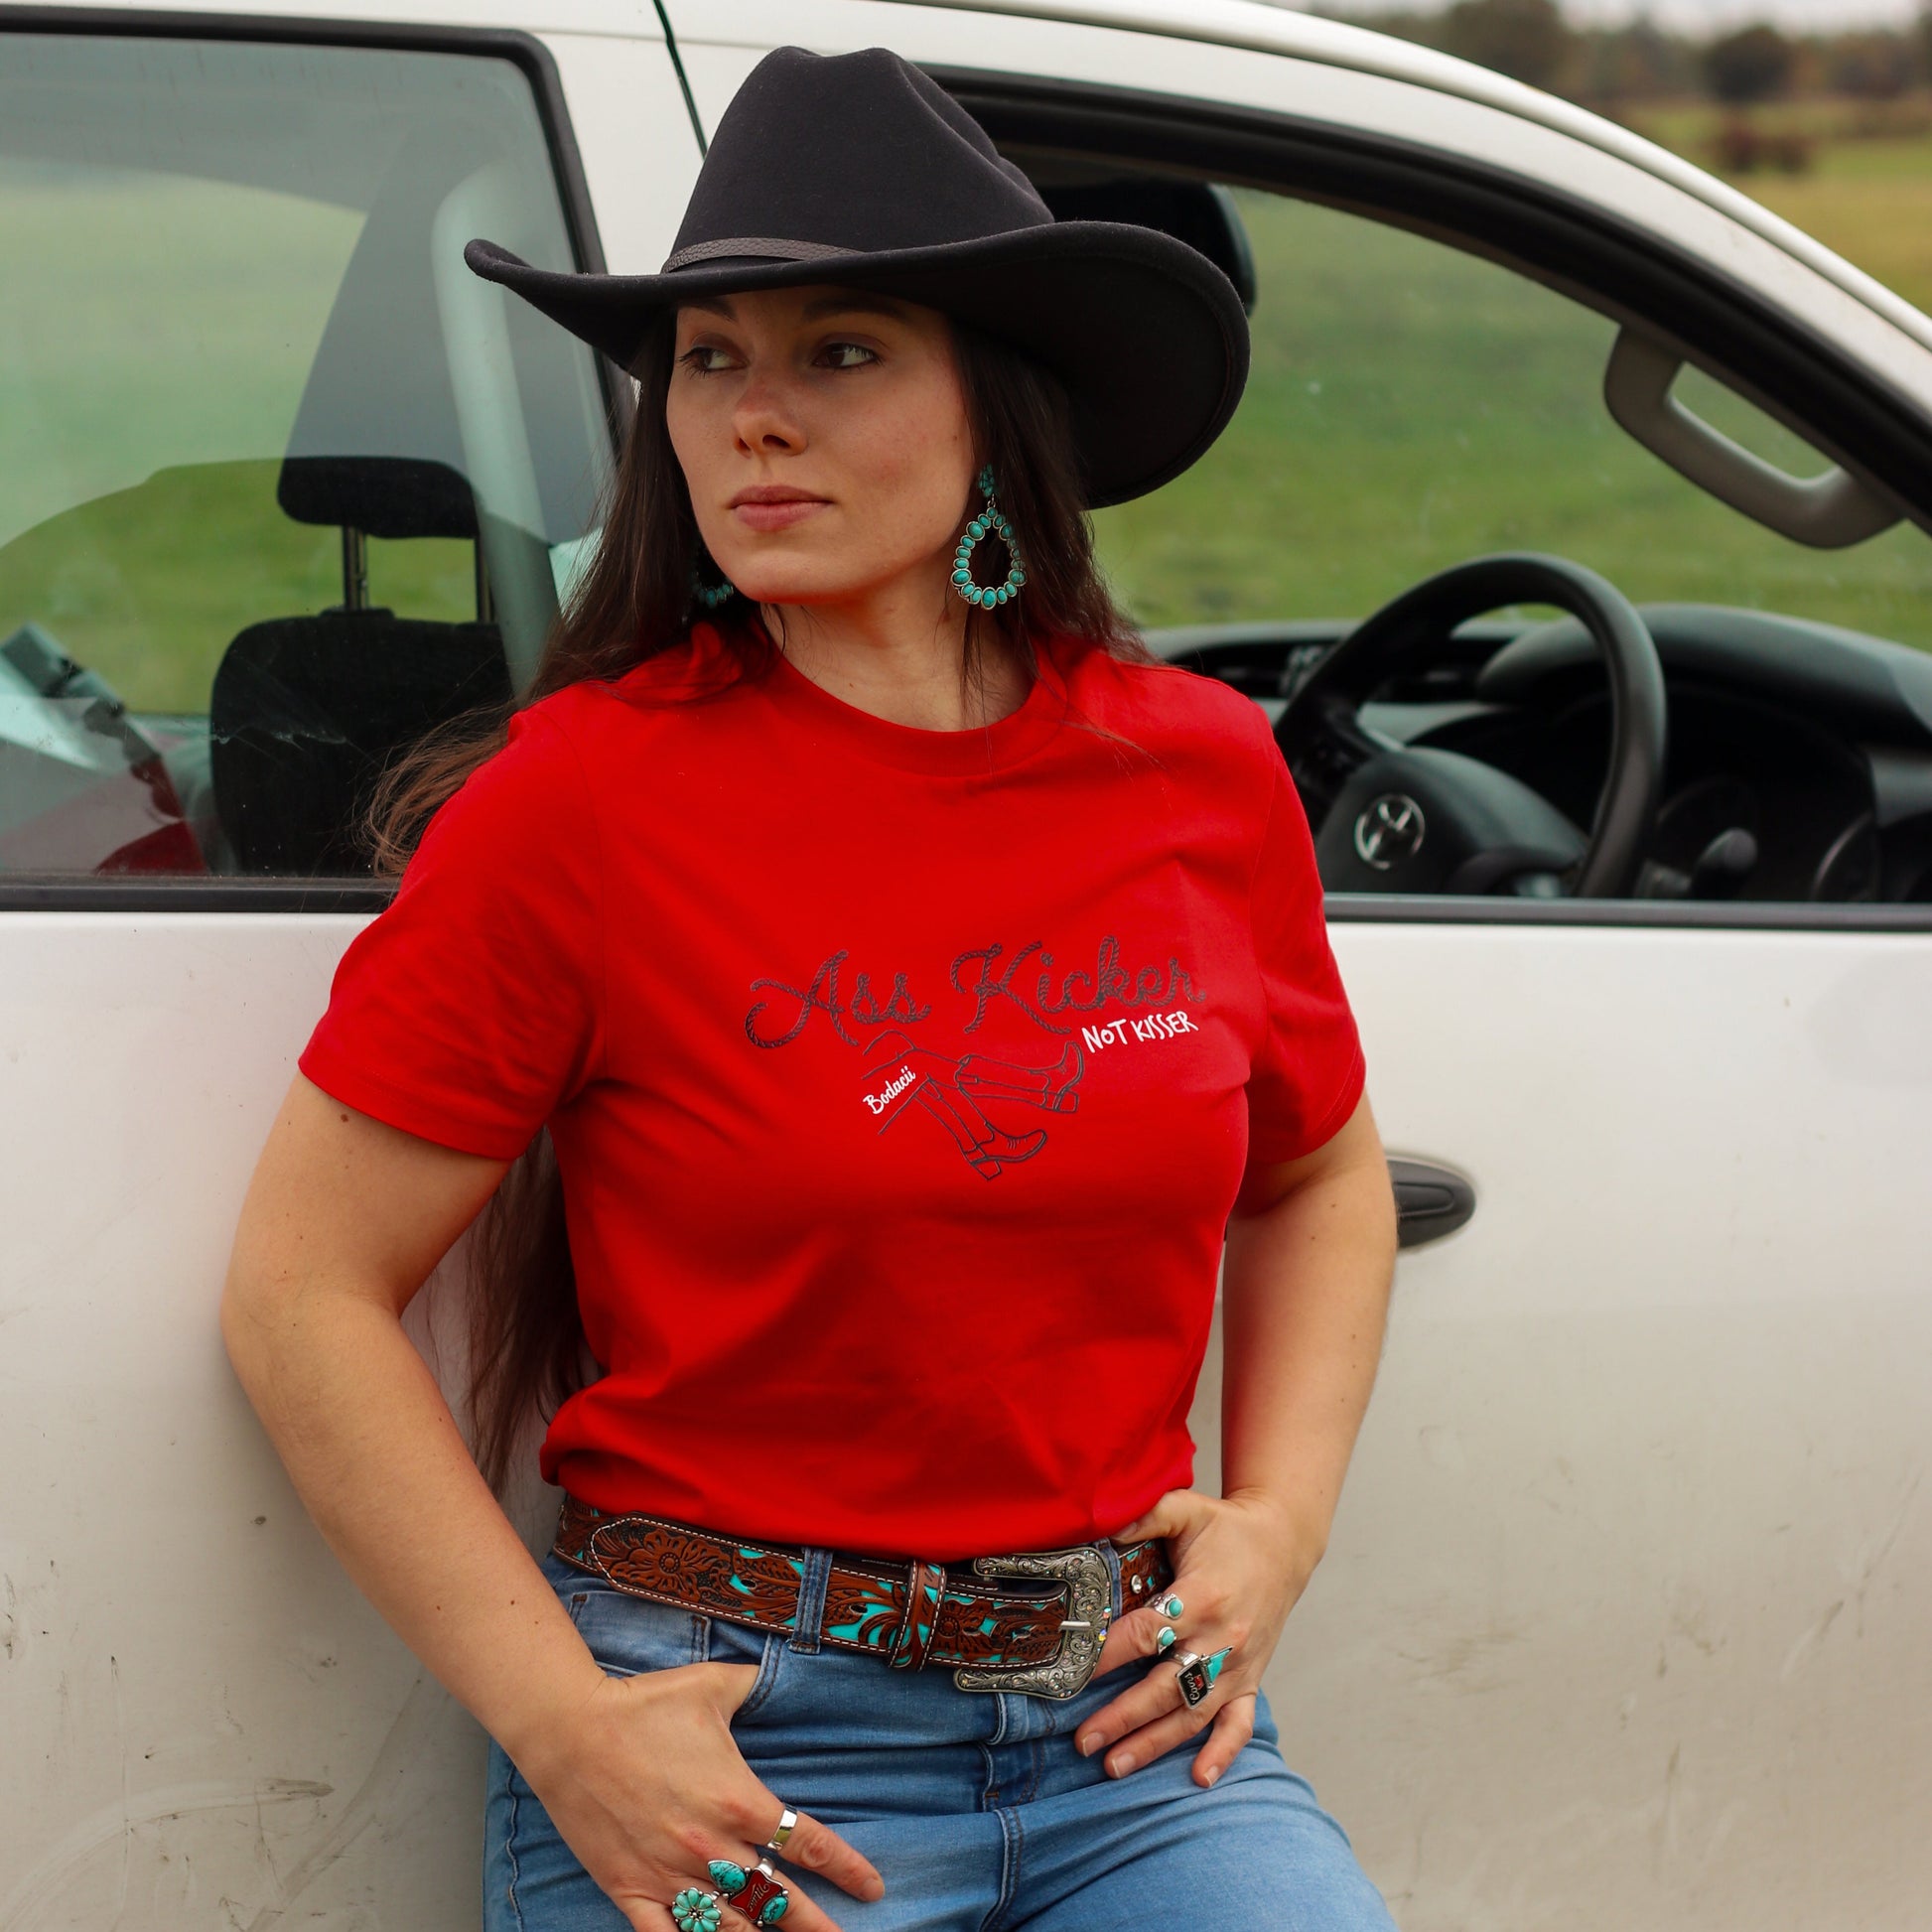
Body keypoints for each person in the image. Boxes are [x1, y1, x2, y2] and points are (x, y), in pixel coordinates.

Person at [220, 44, 1402, 1932]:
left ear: (998, 406)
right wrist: (564, 1726)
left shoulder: (1198, 767)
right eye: (710, 358)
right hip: (740, 1747)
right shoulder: (581, 804)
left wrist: (1278, 1523)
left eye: (838, 351)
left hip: (1134, 1742)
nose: (751, 418)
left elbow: (1322, 1173)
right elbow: (300, 1294)